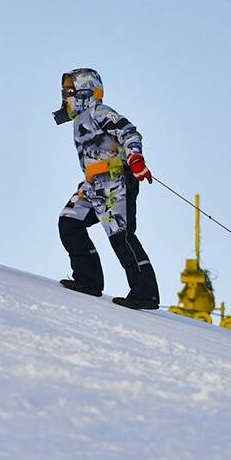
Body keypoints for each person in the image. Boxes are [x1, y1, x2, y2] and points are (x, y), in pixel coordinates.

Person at [54, 68, 161, 309]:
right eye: (64, 91)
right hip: (93, 184)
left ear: (85, 91)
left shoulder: (99, 112)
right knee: (69, 222)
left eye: (70, 91)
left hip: (115, 181)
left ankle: (146, 293)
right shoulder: (80, 121)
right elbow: (107, 143)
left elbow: (128, 132)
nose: (65, 96)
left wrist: (134, 159)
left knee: (120, 235)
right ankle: (88, 279)